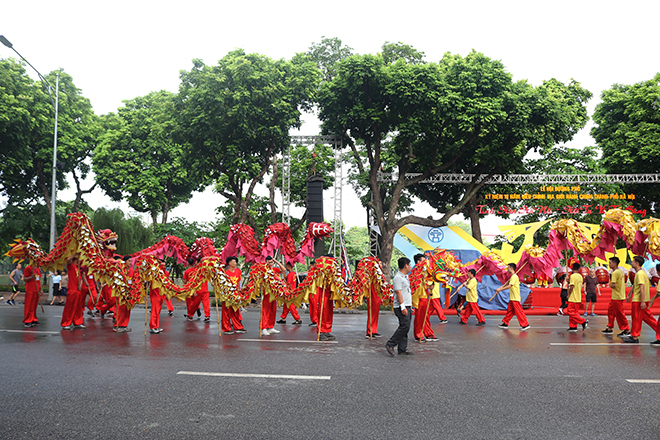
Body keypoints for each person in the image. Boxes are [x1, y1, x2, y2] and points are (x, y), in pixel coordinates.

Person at [623, 256, 658, 344]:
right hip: (642, 299)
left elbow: (641, 287)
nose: (631, 263)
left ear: (637, 263)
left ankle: (635, 336)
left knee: (636, 318)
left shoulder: (639, 274)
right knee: (648, 318)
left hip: (639, 300)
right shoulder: (641, 273)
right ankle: (658, 330)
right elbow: (635, 284)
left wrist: (642, 301)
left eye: (633, 261)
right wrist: (630, 294)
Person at [385, 257, 414, 356]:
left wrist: (409, 306)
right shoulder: (398, 277)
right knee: (404, 326)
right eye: (410, 265)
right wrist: (403, 307)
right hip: (401, 306)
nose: (410, 267)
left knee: (406, 326)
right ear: (405, 265)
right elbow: (398, 292)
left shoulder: (405, 277)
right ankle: (390, 344)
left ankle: (402, 348)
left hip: (407, 305)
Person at [412, 254, 439, 342]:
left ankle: (428, 333)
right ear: (418, 262)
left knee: (425, 316)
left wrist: (429, 286)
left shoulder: (424, 272)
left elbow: (423, 284)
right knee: (419, 317)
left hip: (424, 296)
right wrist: (427, 286)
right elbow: (418, 285)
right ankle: (418, 335)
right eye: (424, 260)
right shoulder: (416, 272)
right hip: (419, 297)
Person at [496, 263, 530, 330]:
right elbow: (507, 284)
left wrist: (500, 289)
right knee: (510, 311)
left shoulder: (514, 277)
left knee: (519, 312)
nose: (507, 269)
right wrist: (500, 288)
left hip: (515, 298)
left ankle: (525, 324)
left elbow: (509, 286)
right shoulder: (512, 277)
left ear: (511, 268)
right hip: (512, 298)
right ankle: (505, 323)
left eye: (508, 267)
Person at [601, 257, 630, 337]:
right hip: (617, 295)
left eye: (610, 263)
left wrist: (610, 283)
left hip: (617, 296)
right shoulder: (621, 271)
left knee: (620, 313)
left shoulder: (615, 273)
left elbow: (612, 285)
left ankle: (626, 329)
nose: (609, 265)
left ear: (615, 263)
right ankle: (610, 327)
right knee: (610, 311)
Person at [222, 256, 247, 335]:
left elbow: (238, 283)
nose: (235, 263)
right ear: (229, 263)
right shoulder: (225, 273)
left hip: (235, 294)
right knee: (226, 312)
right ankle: (226, 328)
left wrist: (239, 291)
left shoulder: (238, 271)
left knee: (236, 311)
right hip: (227, 295)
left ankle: (238, 327)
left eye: (236, 262)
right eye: (234, 262)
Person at [61, 254, 85, 330]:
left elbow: (80, 279)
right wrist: (76, 253)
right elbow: (68, 260)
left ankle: (78, 322)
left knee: (78, 308)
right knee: (69, 307)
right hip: (72, 290)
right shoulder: (70, 266)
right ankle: (66, 323)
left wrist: (80, 285)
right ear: (76, 259)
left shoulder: (77, 268)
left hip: (77, 290)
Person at [183, 258, 211, 323]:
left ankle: (190, 315)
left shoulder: (196, 271)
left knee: (194, 304)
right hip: (205, 289)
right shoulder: (206, 270)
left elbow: (192, 281)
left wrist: (193, 290)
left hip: (198, 290)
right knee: (206, 304)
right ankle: (207, 316)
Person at [260, 257, 283, 336]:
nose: (271, 264)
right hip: (267, 294)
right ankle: (263, 328)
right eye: (269, 262)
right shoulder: (264, 270)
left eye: (272, 262)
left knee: (273, 310)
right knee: (265, 311)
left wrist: (276, 261)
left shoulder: (274, 269)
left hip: (274, 293)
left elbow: (283, 270)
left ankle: (270, 327)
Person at [566, 262, 588, 332]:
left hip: (573, 297)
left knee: (570, 312)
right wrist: (569, 281)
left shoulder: (572, 276)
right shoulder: (580, 276)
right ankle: (573, 326)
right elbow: (575, 284)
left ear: (572, 268)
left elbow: (572, 286)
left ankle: (583, 321)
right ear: (579, 269)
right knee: (574, 313)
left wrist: (569, 294)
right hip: (578, 297)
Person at [22, 261, 43, 328]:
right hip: (30, 290)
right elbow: (24, 279)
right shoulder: (28, 268)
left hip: (36, 290)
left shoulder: (38, 268)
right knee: (29, 306)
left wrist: (41, 289)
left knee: (34, 306)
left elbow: (39, 279)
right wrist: (31, 277)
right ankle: (27, 320)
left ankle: (33, 319)